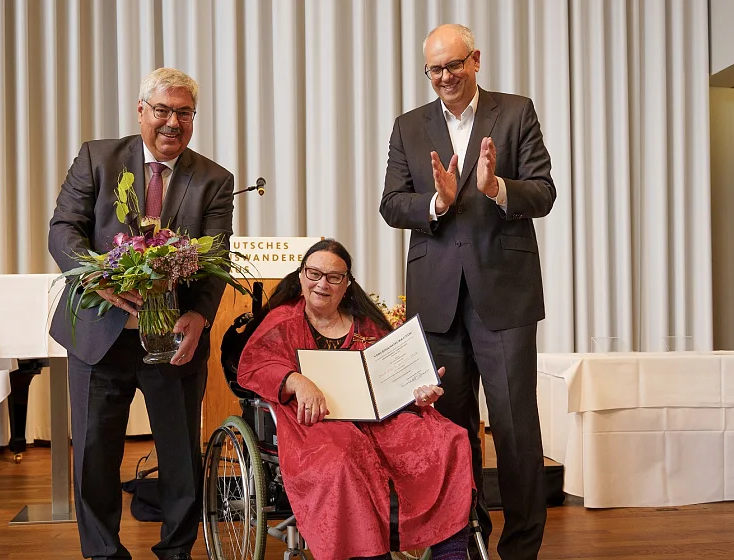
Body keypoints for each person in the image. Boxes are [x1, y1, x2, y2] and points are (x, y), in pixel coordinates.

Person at [379, 24, 557, 560]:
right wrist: (436, 203)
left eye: (454, 65)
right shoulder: (409, 126)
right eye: (434, 69)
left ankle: (522, 546)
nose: (445, 77)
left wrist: (496, 188)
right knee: (451, 431)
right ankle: (464, 539)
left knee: (513, 425)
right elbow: (391, 203)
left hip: (504, 294)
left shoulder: (516, 111)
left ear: (475, 60)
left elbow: (544, 191)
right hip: (437, 300)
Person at [49, 67, 234, 560]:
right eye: (163, 111)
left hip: (172, 340)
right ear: (141, 112)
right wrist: (94, 274)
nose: (173, 122)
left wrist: (200, 317)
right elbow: (63, 229)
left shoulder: (214, 179)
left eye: (185, 113)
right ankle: (103, 554)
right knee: (93, 456)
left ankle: (176, 552)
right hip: (98, 334)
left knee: (180, 461)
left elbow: (216, 258)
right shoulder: (98, 157)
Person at [237, 239, 474, 560]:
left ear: (347, 284)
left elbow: (394, 375)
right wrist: (296, 380)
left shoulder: (366, 324)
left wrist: (418, 391)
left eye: (334, 277)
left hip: (379, 419)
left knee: (449, 438)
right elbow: (255, 364)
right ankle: (369, 552)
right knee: (345, 455)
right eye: (314, 273)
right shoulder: (283, 322)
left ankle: (451, 550)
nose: (322, 283)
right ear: (302, 276)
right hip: (317, 422)